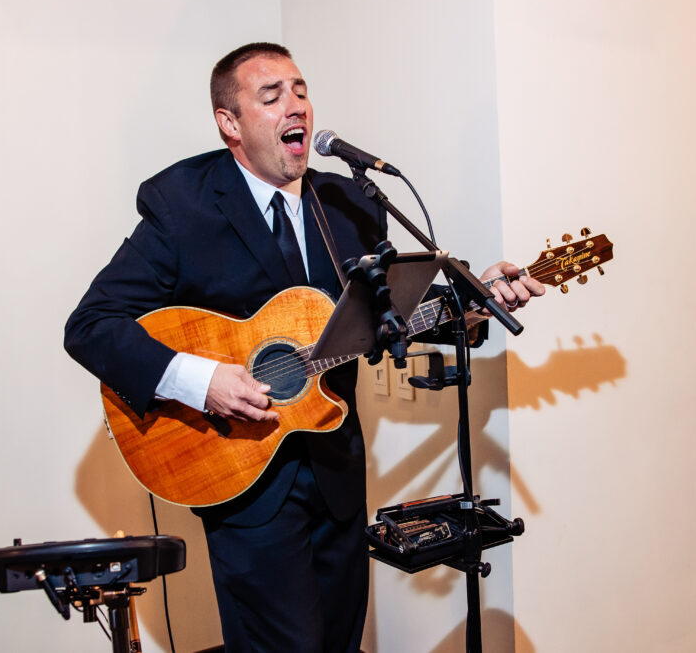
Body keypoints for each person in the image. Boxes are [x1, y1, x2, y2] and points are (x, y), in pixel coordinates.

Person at [64, 42, 544, 653]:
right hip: (242, 479)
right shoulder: (183, 204)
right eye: (271, 96)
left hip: (338, 472)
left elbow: (381, 326)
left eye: (300, 90)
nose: (295, 106)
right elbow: (91, 325)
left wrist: (475, 303)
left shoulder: (350, 206)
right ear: (229, 123)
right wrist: (202, 379)